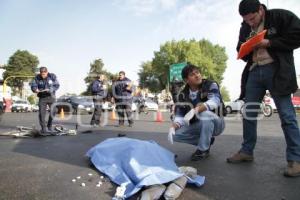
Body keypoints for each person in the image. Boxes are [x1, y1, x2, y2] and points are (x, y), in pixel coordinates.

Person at [227, 0, 300, 177]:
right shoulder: (245, 27)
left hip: (277, 69)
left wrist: (269, 42)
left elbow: (297, 36)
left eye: (252, 18)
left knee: (287, 115)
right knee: (248, 112)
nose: (250, 23)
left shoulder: (281, 16)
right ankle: (247, 152)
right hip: (254, 71)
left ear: (260, 9)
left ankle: (295, 160)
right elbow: (239, 49)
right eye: (246, 20)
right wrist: (246, 48)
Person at [171, 64, 226, 161]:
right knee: (175, 135)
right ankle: (206, 141)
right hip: (199, 123)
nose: (197, 75)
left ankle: (203, 150)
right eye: (192, 74)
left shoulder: (210, 84)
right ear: (186, 80)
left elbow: (215, 101)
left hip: (217, 122)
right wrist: (173, 127)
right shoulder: (182, 95)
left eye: (198, 72)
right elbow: (180, 116)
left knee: (205, 114)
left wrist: (195, 110)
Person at [31, 67, 60, 134]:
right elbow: (33, 85)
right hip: (42, 97)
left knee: (54, 110)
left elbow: (57, 85)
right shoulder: (37, 78)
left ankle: (49, 125)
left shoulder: (52, 76)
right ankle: (43, 128)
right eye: (41, 74)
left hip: (51, 96)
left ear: (47, 72)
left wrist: (50, 89)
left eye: (44, 74)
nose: (43, 75)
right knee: (41, 113)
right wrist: (35, 89)